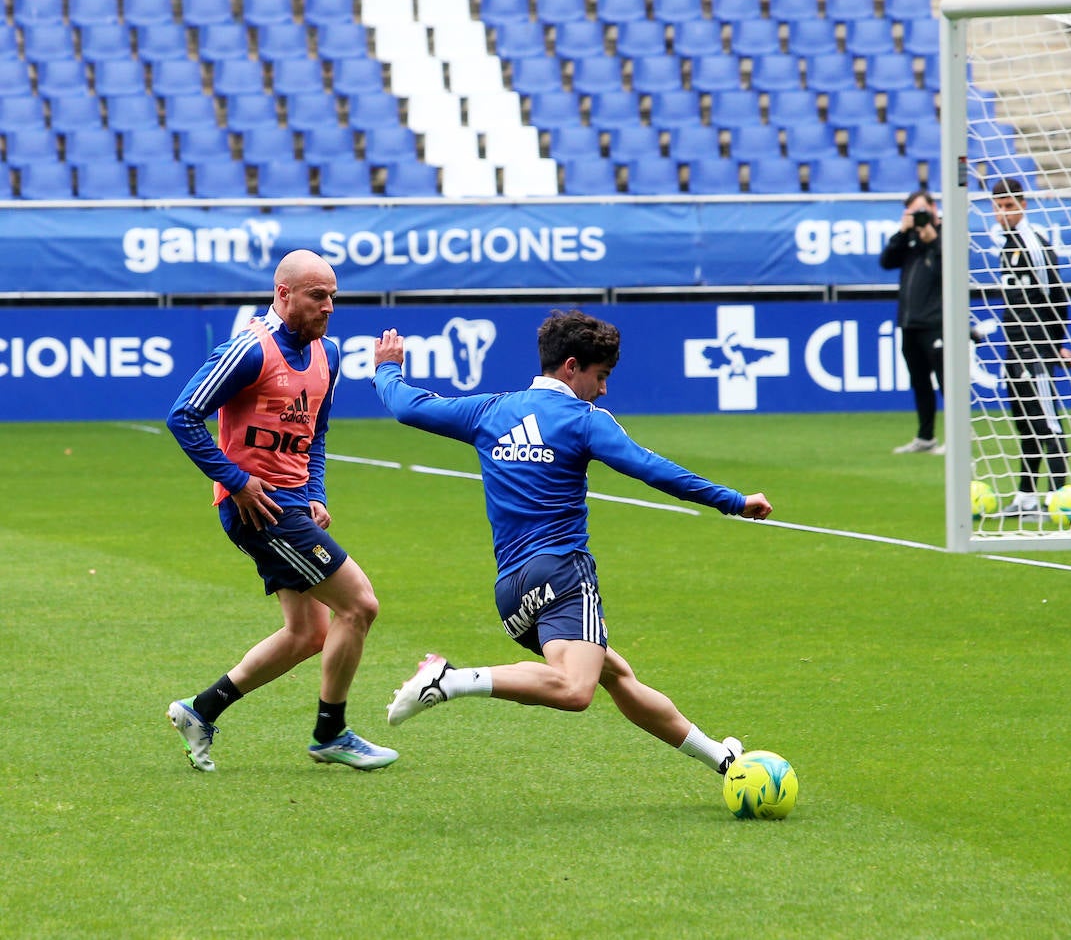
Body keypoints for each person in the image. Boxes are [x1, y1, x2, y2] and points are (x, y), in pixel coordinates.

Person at [372, 310, 773, 780]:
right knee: (575, 689)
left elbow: (407, 406)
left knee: (616, 676)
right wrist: (733, 501)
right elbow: (651, 468)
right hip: (563, 573)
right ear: (571, 366)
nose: (603, 389)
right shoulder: (583, 420)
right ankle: (451, 680)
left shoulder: (489, 411)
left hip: (513, 592)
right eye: (599, 376)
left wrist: (387, 368)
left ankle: (722, 759)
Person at [164, 249, 397, 772]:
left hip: (293, 504)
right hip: (260, 508)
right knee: (359, 605)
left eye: (334, 296)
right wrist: (237, 481)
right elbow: (183, 416)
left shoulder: (328, 354)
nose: (329, 307)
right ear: (283, 293)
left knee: (308, 634)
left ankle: (200, 711)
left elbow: (316, 434)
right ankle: (330, 733)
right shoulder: (249, 349)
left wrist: (317, 493)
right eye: (318, 296)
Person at [990, 177, 1071, 518]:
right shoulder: (1007, 246)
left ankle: (1059, 499)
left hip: (1037, 347)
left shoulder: (1034, 244)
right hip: (1015, 347)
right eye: (998, 207)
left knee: (1047, 423)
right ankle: (1026, 498)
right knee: (1025, 423)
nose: (1004, 213)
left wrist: (1054, 345)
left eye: (1010, 206)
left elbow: (1056, 296)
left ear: (1023, 206)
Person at [879, 189, 945, 455]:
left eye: (921, 211)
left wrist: (933, 242)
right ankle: (925, 437)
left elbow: (949, 270)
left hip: (937, 323)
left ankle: (958, 438)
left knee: (946, 382)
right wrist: (902, 232)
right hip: (909, 322)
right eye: (912, 213)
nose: (918, 217)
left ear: (933, 209)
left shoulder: (945, 236)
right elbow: (886, 262)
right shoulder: (909, 241)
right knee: (919, 382)